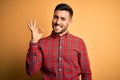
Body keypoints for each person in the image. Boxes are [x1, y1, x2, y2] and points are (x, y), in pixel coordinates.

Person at [26, 3, 92, 80]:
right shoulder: (41, 43)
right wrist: (34, 42)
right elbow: (31, 71)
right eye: (55, 17)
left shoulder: (79, 43)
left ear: (69, 22)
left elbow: (86, 73)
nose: (57, 22)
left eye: (62, 19)